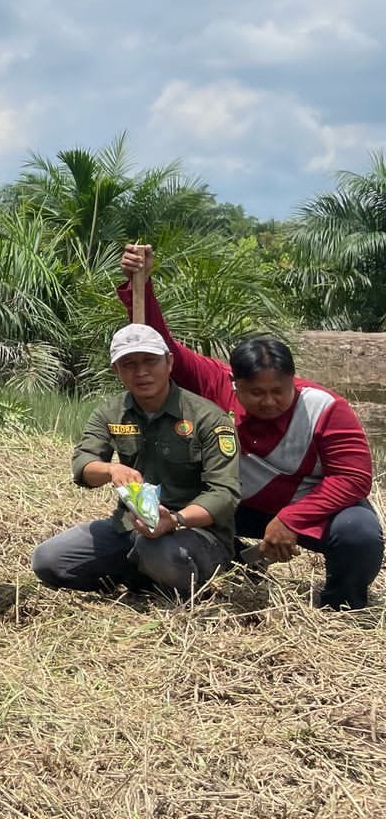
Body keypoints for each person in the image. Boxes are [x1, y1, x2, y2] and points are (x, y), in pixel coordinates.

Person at [118, 244, 381, 609]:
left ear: (295, 381)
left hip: (311, 505)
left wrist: (292, 518)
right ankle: (231, 561)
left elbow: (353, 479)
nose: (269, 401)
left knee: (360, 534)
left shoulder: (325, 407)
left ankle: (341, 602)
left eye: (279, 391)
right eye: (256, 393)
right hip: (237, 506)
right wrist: (139, 285)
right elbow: (160, 347)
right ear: (234, 383)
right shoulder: (215, 383)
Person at [32, 324, 240, 600]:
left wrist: (175, 520)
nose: (141, 372)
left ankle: (170, 579)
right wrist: (110, 469)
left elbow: (225, 493)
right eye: (128, 364)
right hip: (130, 526)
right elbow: (83, 464)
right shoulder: (111, 411)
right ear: (116, 371)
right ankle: (142, 575)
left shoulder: (207, 418)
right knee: (49, 560)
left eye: (150, 361)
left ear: (169, 362)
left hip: (196, 531)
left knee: (157, 551)